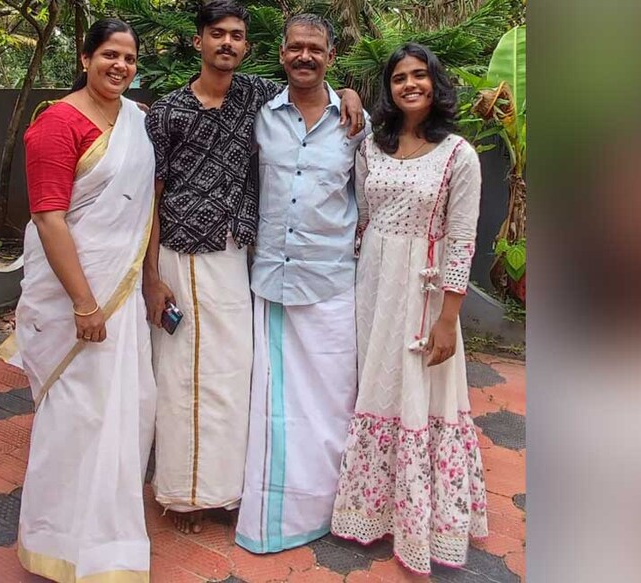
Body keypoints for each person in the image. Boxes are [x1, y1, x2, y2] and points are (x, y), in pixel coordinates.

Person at [143, 0, 364, 535]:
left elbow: (314, 88)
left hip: (235, 256)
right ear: (197, 41)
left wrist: (351, 93)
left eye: (237, 36)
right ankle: (183, 492)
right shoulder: (167, 111)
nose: (227, 43)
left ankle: (223, 490)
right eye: (216, 34)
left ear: (248, 46)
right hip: (180, 252)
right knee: (181, 377)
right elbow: (150, 195)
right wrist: (151, 277)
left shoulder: (257, 97)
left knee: (234, 376)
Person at [329, 43, 488, 574]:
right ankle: (373, 510)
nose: (410, 84)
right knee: (377, 384)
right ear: (389, 88)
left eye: (420, 75)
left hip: (426, 292)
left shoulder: (459, 155)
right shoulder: (372, 146)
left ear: (434, 84)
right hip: (374, 282)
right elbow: (362, 217)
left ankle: (423, 521)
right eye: (399, 77)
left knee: (420, 391)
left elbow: (462, 241)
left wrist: (449, 317)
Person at [14, 19, 157, 583]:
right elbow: (49, 217)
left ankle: (111, 546)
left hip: (122, 301)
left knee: (129, 410)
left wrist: (148, 279)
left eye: (128, 58)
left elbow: (145, 207)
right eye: (108, 55)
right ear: (84, 57)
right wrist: (83, 303)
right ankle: (58, 545)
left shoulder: (136, 122)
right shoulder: (57, 124)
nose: (119, 66)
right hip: (78, 303)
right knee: (78, 417)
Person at [235, 14, 367, 554]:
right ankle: (274, 513)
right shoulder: (259, 112)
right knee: (274, 408)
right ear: (282, 54)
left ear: (331, 57)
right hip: (273, 282)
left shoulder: (356, 125)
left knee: (334, 403)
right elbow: (204, 95)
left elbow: (371, 199)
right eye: (296, 48)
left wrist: (354, 94)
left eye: (315, 48)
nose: (305, 56)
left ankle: (339, 504)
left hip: (333, 283)